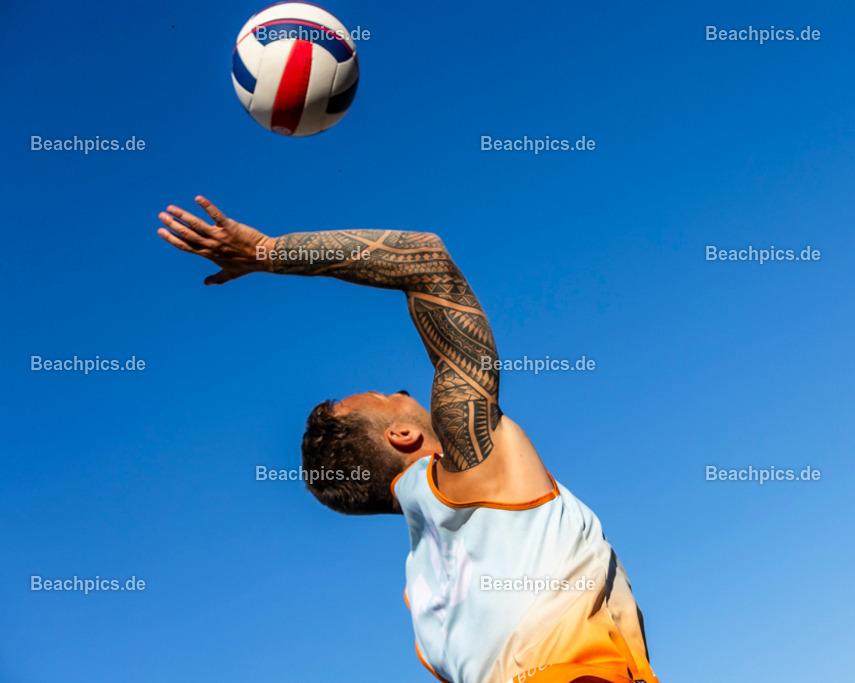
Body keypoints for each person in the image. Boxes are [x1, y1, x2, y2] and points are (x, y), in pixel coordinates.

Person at [158, 197, 661, 683]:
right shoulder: (473, 471)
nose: (403, 389)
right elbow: (426, 260)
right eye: (386, 394)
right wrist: (267, 251)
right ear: (402, 435)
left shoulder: (425, 597)